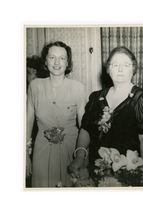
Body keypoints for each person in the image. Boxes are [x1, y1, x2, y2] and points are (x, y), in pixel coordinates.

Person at [68, 46, 143, 185]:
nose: (120, 69)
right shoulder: (96, 98)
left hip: (128, 172)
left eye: (126, 65)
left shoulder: (141, 99)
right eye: (115, 65)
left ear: (133, 68)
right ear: (108, 69)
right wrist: (79, 156)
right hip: (97, 169)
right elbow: (85, 130)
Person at [26, 41, 86, 187]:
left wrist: (81, 156)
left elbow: (85, 126)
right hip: (42, 151)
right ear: (45, 61)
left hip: (70, 150)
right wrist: (24, 154)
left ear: (68, 63)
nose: (57, 62)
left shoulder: (78, 88)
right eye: (52, 57)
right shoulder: (35, 86)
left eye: (62, 58)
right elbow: (27, 121)